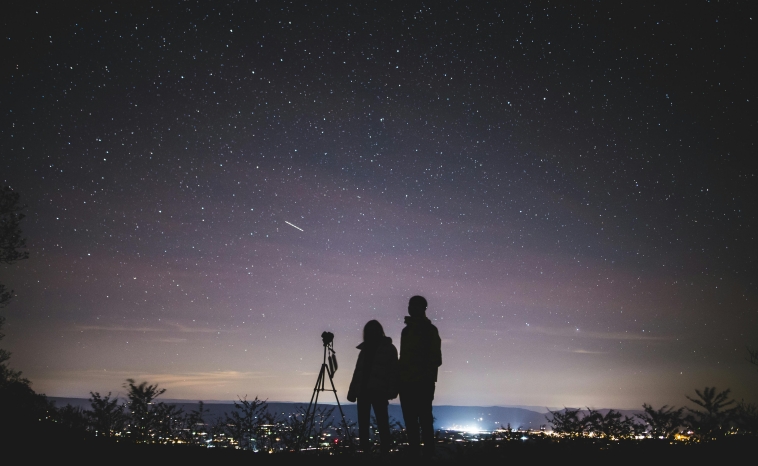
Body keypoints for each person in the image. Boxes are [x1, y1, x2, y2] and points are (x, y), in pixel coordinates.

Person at [347, 320, 399, 454]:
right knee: (364, 423)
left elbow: (393, 370)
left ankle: (384, 451)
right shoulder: (364, 350)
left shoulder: (388, 348)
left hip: (379, 391)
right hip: (364, 391)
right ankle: (366, 451)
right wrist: (353, 391)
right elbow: (358, 372)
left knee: (382, 422)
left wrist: (392, 390)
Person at [398, 295, 441, 457]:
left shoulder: (429, 330)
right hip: (408, 383)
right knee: (412, 422)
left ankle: (427, 456)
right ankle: (416, 455)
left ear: (423, 308)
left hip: (422, 382)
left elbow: (436, 358)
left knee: (424, 421)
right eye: (410, 305)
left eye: (415, 306)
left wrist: (422, 373)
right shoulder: (407, 331)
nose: (411, 308)